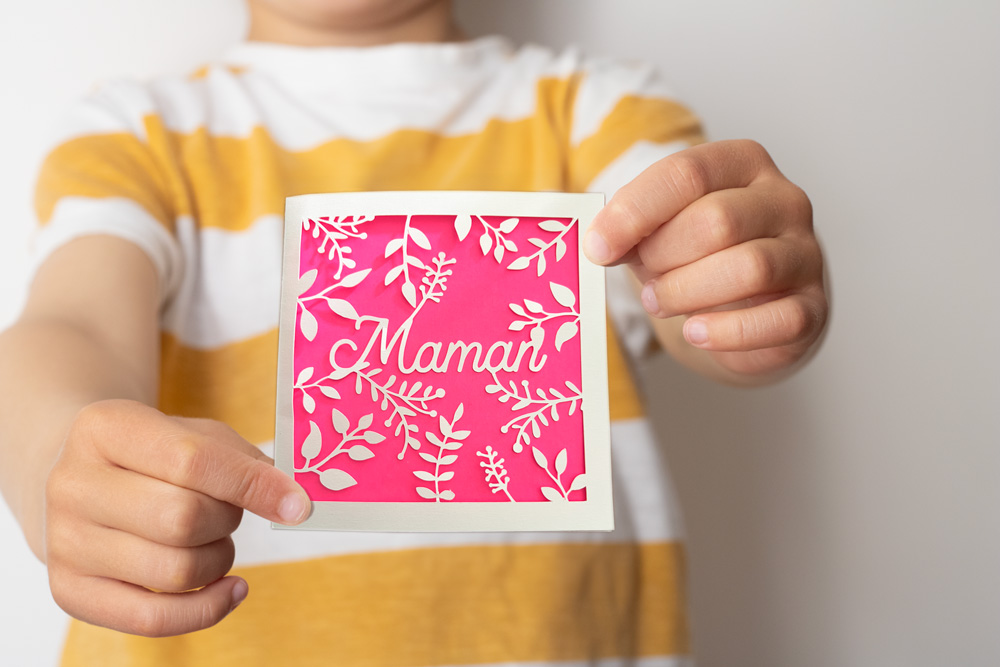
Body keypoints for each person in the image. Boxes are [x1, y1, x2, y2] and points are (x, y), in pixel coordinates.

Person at [0, 0, 828, 664]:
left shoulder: (593, 113)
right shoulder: (139, 136)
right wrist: (55, 459)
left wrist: (744, 288)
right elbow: (69, 323)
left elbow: (699, 295)